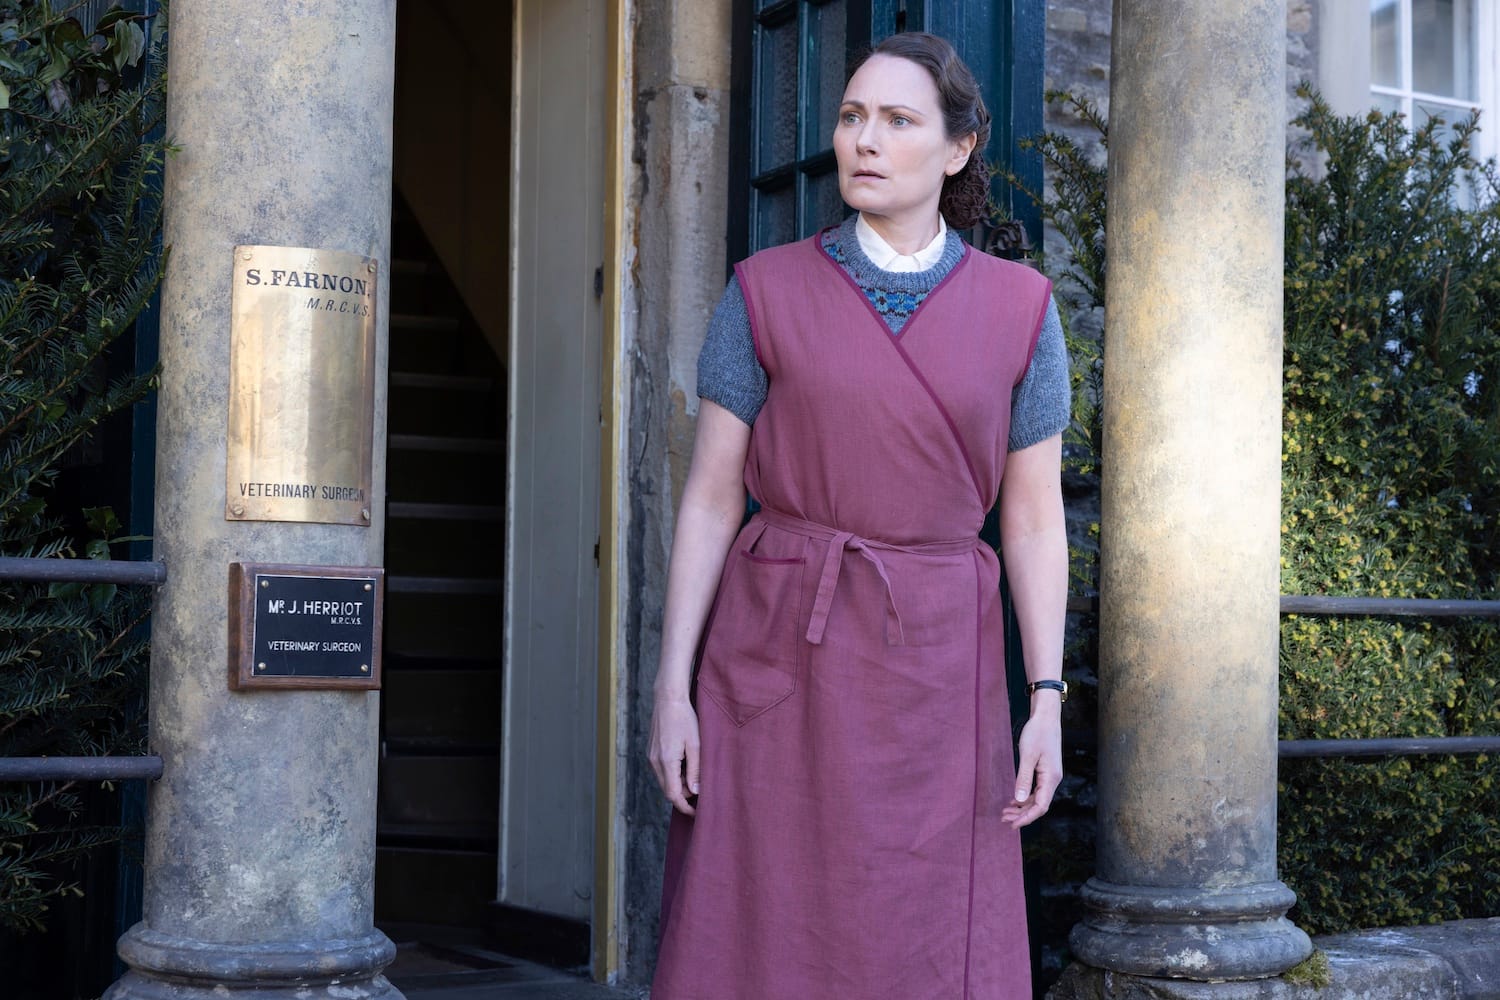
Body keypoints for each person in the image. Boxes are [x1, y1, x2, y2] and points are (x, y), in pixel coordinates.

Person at [648, 31, 1068, 1000]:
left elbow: (1035, 521)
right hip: (777, 660)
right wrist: (674, 687)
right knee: (762, 925)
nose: (862, 140)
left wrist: (1045, 697)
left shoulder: (1022, 310)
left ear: (958, 149)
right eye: (850, 117)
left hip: (940, 679)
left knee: (924, 937)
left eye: (896, 120)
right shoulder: (763, 290)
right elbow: (713, 495)